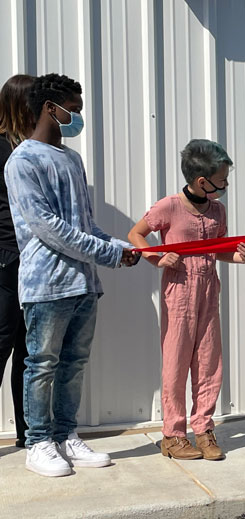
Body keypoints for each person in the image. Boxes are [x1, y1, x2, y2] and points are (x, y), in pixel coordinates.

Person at [5, 73, 140, 477]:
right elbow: (47, 226)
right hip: (45, 284)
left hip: (83, 283)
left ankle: (66, 435)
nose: (77, 118)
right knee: (42, 363)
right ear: (51, 108)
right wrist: (106, 252)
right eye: (73, 111)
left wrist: (117, 248)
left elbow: (84, 222)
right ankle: (38, 443)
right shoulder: (23, 161)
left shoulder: (72, 159)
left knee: (74, 364)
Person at [128, 139, 245, 460]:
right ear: (203, 181)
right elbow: (136, 234)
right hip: (179, 292)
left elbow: (220, 249)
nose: (225, 185)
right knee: (176, 362)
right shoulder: (168, 206)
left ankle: (204, 427)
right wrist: (157, 258)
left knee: (209, 361)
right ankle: (173, 434)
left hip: (209, 290)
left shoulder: (217, 210)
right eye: (222, 180)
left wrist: (241, 257)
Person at [0, 74, 35, 448]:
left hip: (33, 260)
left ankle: (30, 435)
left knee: (29, 351)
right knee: (2, 342)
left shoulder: (33, 149)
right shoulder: (1, 147)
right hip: (7, 258)